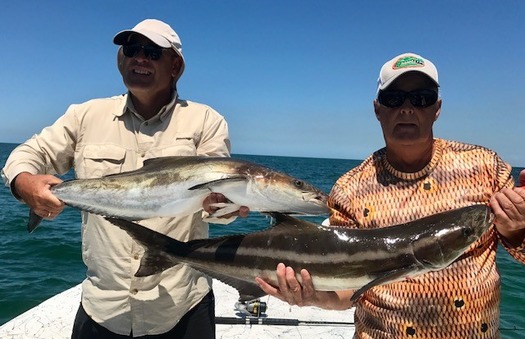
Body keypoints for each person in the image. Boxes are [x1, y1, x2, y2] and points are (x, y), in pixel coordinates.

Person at [2, 19, 247, 338]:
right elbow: (31, 153)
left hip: (182, 307)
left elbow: (217, 203)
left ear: (175, 65)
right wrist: (23, 182)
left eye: (152, 52)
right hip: (103, 307)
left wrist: (225, 207)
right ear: (121, 58)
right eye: (131, 49)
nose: (139, 58)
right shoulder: (85, 115)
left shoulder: (206, 122)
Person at [256, 52, 525, 338]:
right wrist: (312, 296)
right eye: (394, 98)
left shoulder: (485, 166)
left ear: (437, 108)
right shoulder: (350, 188)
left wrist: (518, 232)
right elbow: (350, 287)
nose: (407, 108)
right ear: (377, 109)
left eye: (421, 98)